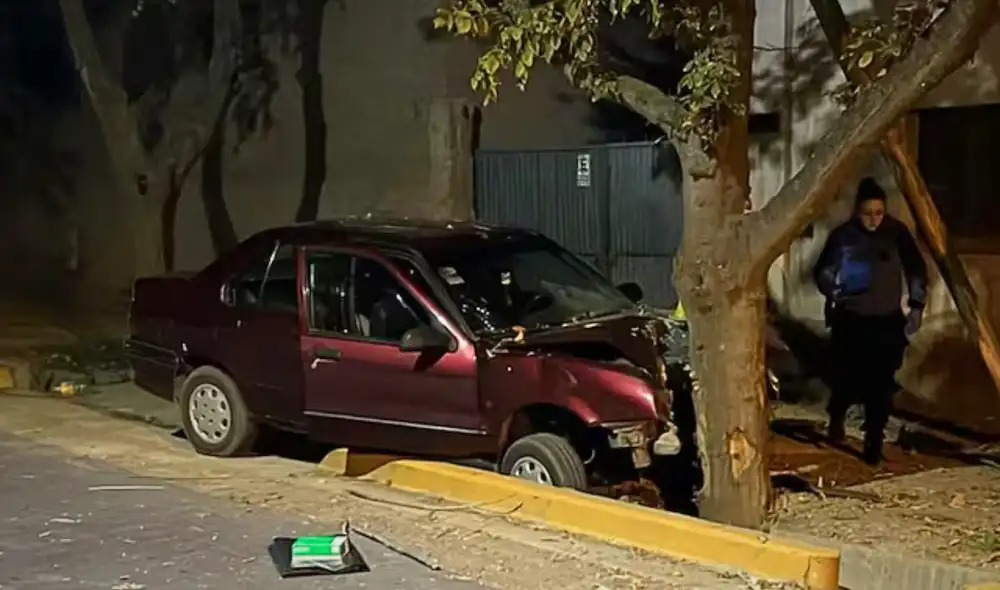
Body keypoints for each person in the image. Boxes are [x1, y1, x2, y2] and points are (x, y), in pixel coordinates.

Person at [813, 177, 928, 465]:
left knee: (881, 385)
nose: (874, 220)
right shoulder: (843, 236)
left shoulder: (896, 233)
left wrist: (916, 306)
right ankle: (836, 417)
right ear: (857, 211)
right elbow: (822, 271)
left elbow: (916, 268)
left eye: (879, 213)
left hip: (886, 322)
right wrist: (833, 288)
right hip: (851, 321)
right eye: (868, 213)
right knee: (847, 380)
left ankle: (872, 444)